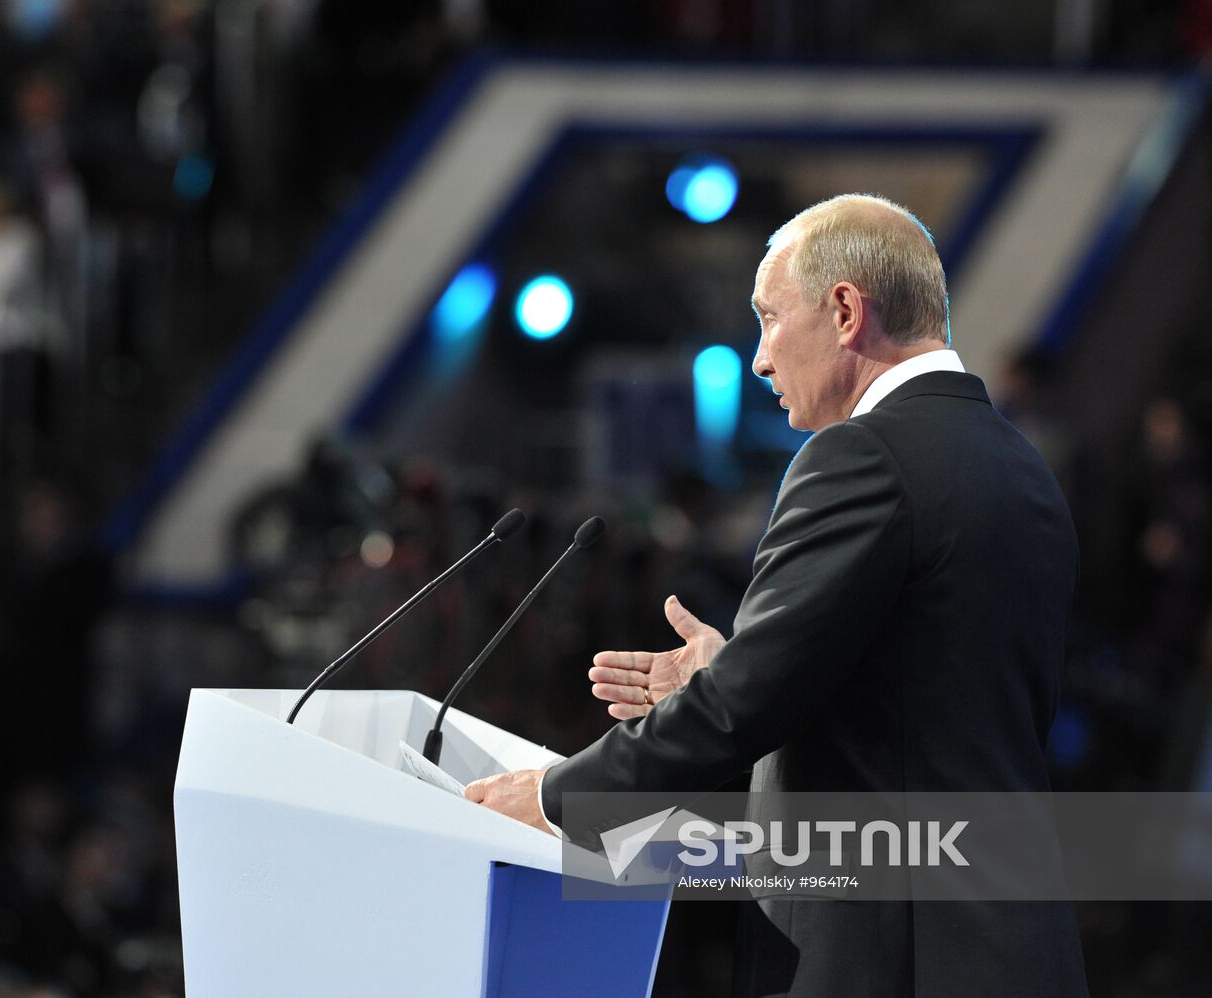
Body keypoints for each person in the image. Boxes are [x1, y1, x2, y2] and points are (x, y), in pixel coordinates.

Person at [465, 194, 1089, 997]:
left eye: (768, 318)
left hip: (886, 956)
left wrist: (555, 799)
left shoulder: (859, 458)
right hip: (1007, 944)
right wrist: (743, 668)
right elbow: (927, 698)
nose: (759, 359)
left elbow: (740, 712)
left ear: (842, 310)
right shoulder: (1016, 464)